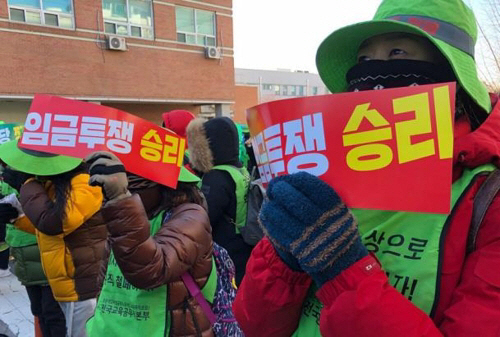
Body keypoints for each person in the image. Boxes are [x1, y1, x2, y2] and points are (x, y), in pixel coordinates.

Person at [233, 0, 500, 336]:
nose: (375, 72)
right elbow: (255, 324)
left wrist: (340, 268)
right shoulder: (330, 166)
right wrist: (284, 260)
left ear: (451, 73)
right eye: (365, 60)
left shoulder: (489, 195)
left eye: (399, 53)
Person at [84, 152, 215, 337]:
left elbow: (151, 270)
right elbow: (106, 280)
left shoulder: (192, 216)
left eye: (132, 183)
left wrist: (121, 199)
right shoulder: (130, 217)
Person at [0, 141, 107, 337]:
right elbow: (48, 230)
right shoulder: (54, 183)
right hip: (64, 283)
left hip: (82, 285)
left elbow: (57, 223)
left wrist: (26, 184)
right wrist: (16, 217)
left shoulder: (85, 182)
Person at [186, 117, 254, 286]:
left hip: (223, 247)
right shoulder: (239, 169)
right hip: (243, 243)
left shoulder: (215, 177)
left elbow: (204, 217)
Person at [0, 171, 66, 337]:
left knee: (52, 313)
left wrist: (25, 184)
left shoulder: (44, 181)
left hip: (44, 251)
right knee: (39, 310)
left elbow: (48, 220)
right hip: (22, 250)